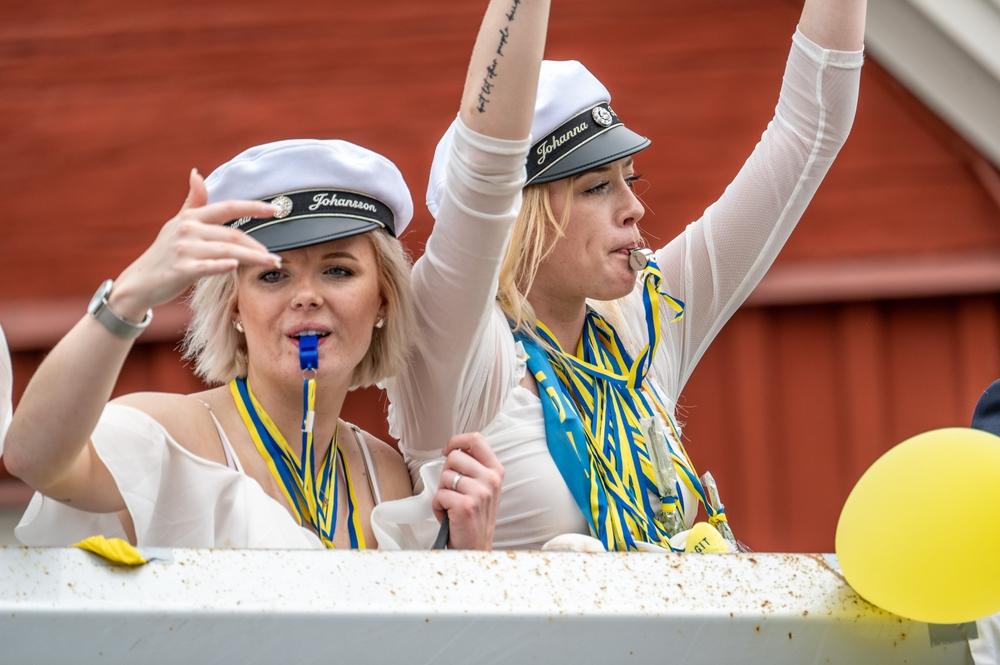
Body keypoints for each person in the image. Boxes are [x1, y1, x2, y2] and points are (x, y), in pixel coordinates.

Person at [385, 0, 867, 550]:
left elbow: (810, 131)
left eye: (629, 180)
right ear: (516, 217)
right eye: (597, 187)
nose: (634, 208)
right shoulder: (458, 351)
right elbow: (485, 173)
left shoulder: (639, 323)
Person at [3, 139, 502, 550]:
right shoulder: (169, 435)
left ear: (383, 302)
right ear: (235, 309)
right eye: (272, 275)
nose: (306, 296)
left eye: (337, 270)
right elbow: (33, 461)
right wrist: (129, 296)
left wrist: (467, 561)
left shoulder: (386, 475)